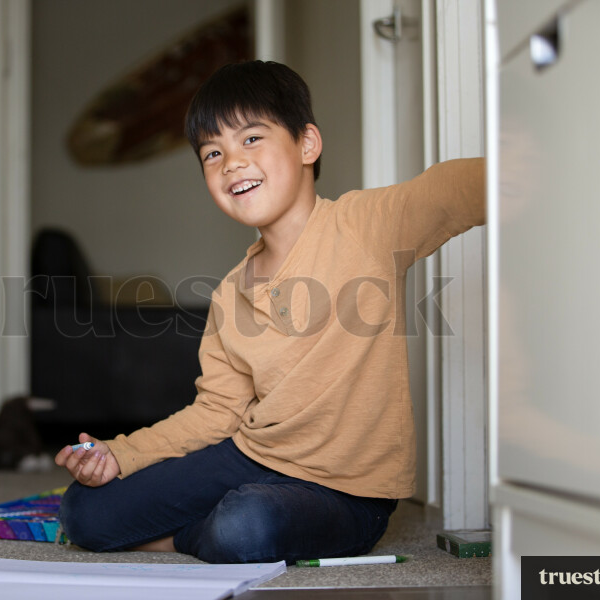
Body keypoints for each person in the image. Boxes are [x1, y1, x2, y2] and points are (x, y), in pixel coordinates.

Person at [54, 60, 485, 564]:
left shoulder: (365, 225)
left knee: (246, 525)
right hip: (249, 456)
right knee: (85, 512)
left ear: (307, 145)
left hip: (345, 493)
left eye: (251, 139)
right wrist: (119, 454)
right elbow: (216, 412)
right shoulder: (231, 292)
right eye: (213, 153)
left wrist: (523, 165)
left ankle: (187, 538)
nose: (232, 162)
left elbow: (449, 191)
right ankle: (208, 527)